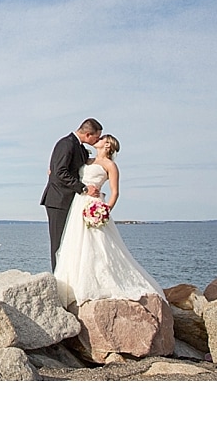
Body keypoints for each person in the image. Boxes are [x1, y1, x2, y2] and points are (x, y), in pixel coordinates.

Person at [52, 134, 165, 306]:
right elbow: (67, 171)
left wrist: (105, 210)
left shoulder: (110, 165)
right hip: (78, 203)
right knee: (75, 242)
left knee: (98, 244)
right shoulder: (87, 160)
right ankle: (72, 284)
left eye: (102, 138)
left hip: (94, 204)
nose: (98, 139)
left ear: (107, 146)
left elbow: (115, 192)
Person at [40, 118, 103, 270]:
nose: (98, 140)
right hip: (58, 200)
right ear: (88, 134)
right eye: (97, 137)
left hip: (73, 201)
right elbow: (59, 172)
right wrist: (84, 188)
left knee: (70, 242)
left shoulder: (80, 148)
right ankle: (57, 277)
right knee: (58, 242)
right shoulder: (66, 144)